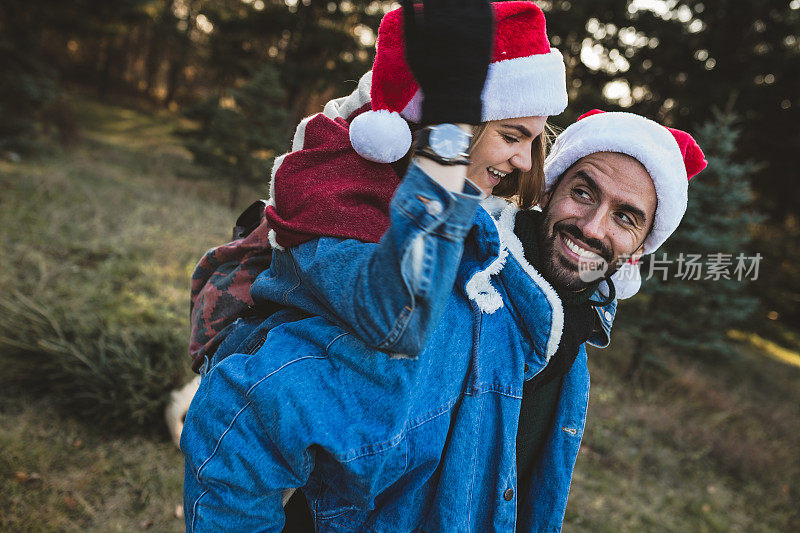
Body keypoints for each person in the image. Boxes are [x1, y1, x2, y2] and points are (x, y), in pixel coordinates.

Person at [181, 2, 707, 533]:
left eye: (626, 217)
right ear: (549, 192)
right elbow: (247, 430)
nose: (593, 228)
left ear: (639, 249)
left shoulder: (572, 331)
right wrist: (446, 147)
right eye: (582, 192)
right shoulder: (455, 298)